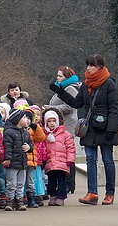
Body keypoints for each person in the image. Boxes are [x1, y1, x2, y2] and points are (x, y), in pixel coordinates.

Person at [49, 54, 118, 205]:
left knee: (107, 160)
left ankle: (109, 193)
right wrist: (61, 92)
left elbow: (114, 108)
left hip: (106, 127)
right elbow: (76, 103)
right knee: (90, 160)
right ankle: (92, 192)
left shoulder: (109, 84)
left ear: (100, 66)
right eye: (87, 65)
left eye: (91, 66)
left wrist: (112, 129)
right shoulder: (87, 84)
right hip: (90, 128)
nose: (88, 68)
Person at [46, 66, 81, 194]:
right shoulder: (61, 88)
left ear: (67, 77)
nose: (58, 78)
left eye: (60, 76)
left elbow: (70, 107)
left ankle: (69, 183)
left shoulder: (70, 88)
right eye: (58, 76)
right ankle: (67, 183)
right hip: (62, 123)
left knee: (67, 153)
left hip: (68, 124)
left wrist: (51, 108)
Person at [40, 108, 75, 206]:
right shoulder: (44, 134)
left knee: (61, 181)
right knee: (51, 181)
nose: (52, 123)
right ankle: (52, 195)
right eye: (49, 121)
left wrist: (70, 160)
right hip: (50, 162)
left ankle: (61, 196)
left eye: (54, 121)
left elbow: (70, 147)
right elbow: (42, 148)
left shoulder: (65, 134)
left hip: (61, 162)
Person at [2, 108, 33, 211]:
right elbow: (8, 146)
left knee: (20, 183)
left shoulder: (26, 132)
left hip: (23, 162)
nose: (27, 120)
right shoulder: (9, 132)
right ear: (18, 120)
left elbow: (31, 144)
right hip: (13, 162)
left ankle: (19, 200)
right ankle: (10, 200)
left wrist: (29, 147)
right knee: (11, 183)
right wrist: (8, 159)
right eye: (24, 117)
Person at [23, 107, 46, 208]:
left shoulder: (33, 129)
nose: (27, 120)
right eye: (25, 118)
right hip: (22, 160)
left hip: (32, 159)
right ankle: (21, 197)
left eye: (29, 118)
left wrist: (36, 127)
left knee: (30, 180)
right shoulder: (18, 129)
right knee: (21, 180)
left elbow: (41, 138)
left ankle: (31, 198)